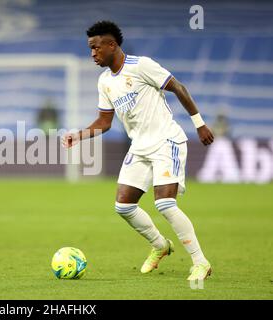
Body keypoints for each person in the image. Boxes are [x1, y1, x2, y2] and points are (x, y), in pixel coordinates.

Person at [62, 21, 214, 281]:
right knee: (124, 206)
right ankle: (160, 245)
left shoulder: (141, 66)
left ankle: (200, 262)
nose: (93, 54)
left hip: (166, 141)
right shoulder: (104, 82)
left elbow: (178, 87)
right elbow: (104, 122)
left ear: (112, 45)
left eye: (96, 47)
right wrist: (79, 135)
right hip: (140, 146)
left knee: (165, 204)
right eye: (90, 49)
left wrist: (199, 125)